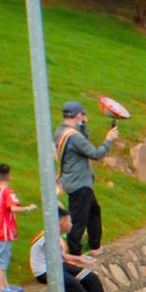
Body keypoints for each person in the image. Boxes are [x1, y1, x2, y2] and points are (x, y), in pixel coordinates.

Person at [31, 207, 115, 292]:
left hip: (58, 265)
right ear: (62, 223)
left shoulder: (55, 236)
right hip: (45, 271)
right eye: (69, 221)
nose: (71, 224)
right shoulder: (47, 238)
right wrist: (72, 262)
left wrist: (79, 259)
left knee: (90, 277)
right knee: (74, 284)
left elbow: (61, 256)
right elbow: (56, 257)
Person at [54, 101, 119, 255]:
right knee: (78, 220)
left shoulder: (61, 131)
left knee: (94, 212)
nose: (84, 116)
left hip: (75, 181)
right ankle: (75, 253)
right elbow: (96, 154)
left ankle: (95, 246)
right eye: (82, 114)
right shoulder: (74, 137)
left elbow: (80, 145)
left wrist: (83, 127)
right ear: (77, 115)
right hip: (79, 184)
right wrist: (108, 139)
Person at [0, 163, 37, 292]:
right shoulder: (8, 192)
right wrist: (29, 208)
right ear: (9, 177)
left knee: (2, 257)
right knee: (1, 259)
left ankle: (5, 284)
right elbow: (13, 208)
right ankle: (0, 287)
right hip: (3, 231)